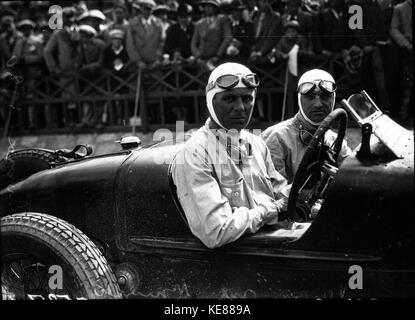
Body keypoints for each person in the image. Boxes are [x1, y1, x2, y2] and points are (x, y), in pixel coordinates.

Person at [172, 62, 291, 249]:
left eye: (247, 99)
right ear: (211, 101)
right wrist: (272, 210)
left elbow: (280, 193)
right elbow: (215, 231)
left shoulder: (257, 143)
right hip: (234, 259)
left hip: (270, 245)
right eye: (229, 99)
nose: (240, 107)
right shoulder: (195, 152)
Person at [262, 69, 351, 183]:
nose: (318, 104)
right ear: (299, 99)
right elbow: (272, 190)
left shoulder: (336, 141)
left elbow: (353, 177)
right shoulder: (276, 137)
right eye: (310, 97)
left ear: (333, 98)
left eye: (325, 97)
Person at [191, 0, 232, 71]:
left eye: (210, 6)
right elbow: (193, 43)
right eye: (206, 6)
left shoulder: (223, 20)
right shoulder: (199, 23)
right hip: (202, 60)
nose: (207, 8)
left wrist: (218, 56)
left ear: (216, 8)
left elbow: (227, 38)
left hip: (218, 60)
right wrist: (198, 57)